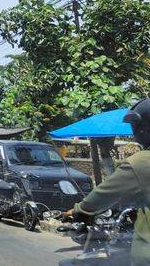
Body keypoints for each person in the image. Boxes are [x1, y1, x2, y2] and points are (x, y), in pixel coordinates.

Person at [64, 99, 150, 264]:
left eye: (135, 126)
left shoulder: (141, 162)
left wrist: (78, 211)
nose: (133, 132)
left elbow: (102, 196)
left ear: (144, 127)